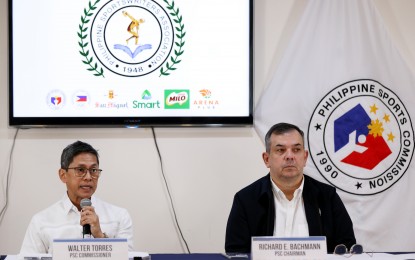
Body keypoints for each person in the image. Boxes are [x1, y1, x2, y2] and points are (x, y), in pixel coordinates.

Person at [225, 122, 356, 253]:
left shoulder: (328, 196)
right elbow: (236, 252)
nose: (289, 156)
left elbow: (346, 248)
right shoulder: (246, 200)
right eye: (280, 150)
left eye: (296, 150)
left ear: (304, 157)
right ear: (266, 159)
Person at [20, 141, 134, 255]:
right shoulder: (41, 222)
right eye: (80, 170)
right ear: (63, 175)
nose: (88, 177)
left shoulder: (119, 216)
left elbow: (129, 257)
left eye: (93, 170)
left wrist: (100, 236)